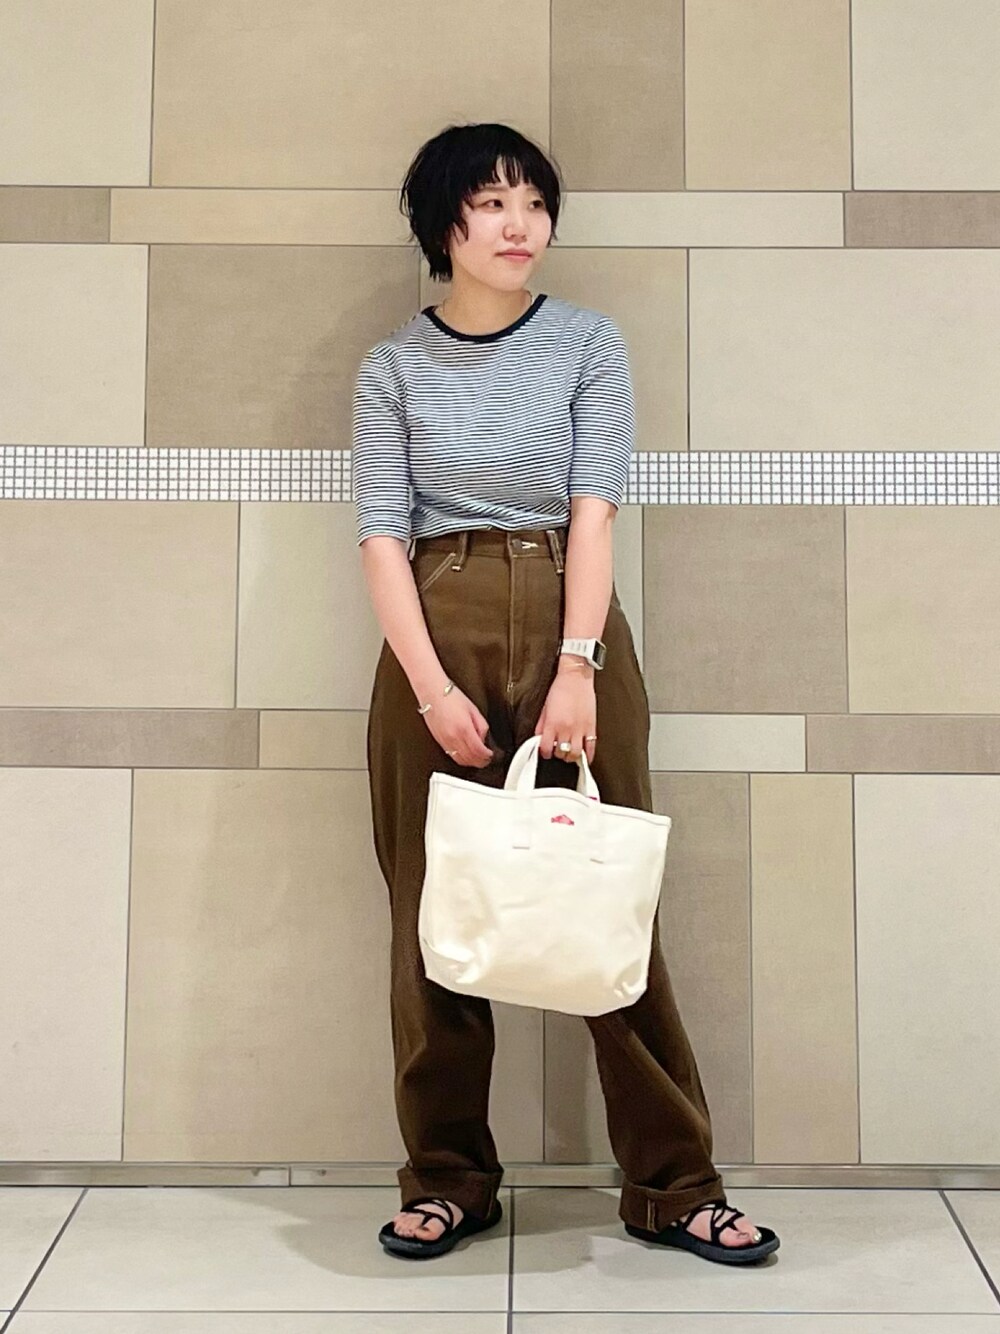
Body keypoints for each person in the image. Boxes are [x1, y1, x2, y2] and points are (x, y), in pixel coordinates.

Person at [351, 121, 780, 1266]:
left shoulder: (588, 342)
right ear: (441, 220)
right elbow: (382, 536)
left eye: (534, 202)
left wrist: (576, 663)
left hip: (565, 611)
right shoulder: (392, 366)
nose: (519, 224)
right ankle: (448, 1177)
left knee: (609, 898)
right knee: (432, 917)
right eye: (492, 201)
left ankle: (673, 1185)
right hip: (432, 624)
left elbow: (595, 510)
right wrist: (430, 688)